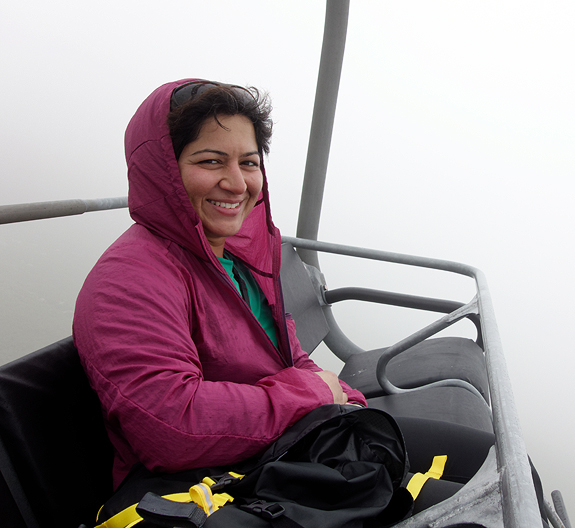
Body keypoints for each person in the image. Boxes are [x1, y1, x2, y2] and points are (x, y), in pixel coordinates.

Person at [74, 79, 495, 513]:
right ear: (163, 170)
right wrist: (313, 394)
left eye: (249, 163)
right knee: (485, 508)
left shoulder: (235, 262)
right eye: (211, 161)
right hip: (217, 488)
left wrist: (349, 405)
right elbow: (173, 425)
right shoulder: (130, 280)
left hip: (288, 444)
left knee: (501, 465)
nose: (237, 183)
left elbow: (290, 358)